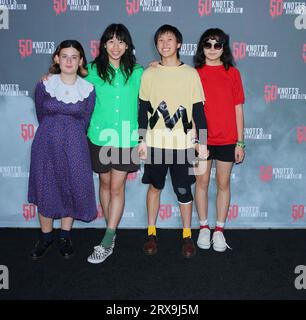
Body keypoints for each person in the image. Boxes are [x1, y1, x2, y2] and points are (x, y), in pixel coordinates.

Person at [138, 24, 208, 258]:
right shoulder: (149, 73)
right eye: (160, 40)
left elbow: (199, 111)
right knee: (155, 187)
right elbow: (143, 110)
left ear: (179, 44)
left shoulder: (190, 74)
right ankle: (151, 232)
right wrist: (141, 140)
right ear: (156, 44)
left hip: (183, 145)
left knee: (183, 190)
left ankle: (187, 235)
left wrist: (203, 142)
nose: (165, 44)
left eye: (170, 39)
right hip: (156, 144)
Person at [28, 40, 97, 260]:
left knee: (71, 186)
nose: (69, 61)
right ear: (57, 59)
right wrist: (54, 131)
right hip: (46, 143)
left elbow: (86, 120)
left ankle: (65, 236)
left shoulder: (88, 90)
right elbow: (40, 113)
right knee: (46, 186)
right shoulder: (45, 84)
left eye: (74, 56)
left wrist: (70, 134)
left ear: (81, 61)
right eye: (64, 56)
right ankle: (46, 236)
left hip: (76, 145)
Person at [86, 24, 143, 264]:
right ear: (104, 44)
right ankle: (112, 229)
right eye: (111, 41)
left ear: (128, 45)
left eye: (121, 41)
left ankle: (108, 239)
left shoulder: (139, 72)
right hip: (99, 136)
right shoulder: (90, 70)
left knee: (117, 187)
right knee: (105, 182)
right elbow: (67, 81)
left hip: (126, 138)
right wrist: (49, 75)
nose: (116, 46)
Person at [194, 28, 245, 252]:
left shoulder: (232, 73)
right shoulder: (193, 73)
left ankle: (219, 231)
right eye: (208, 44)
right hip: (203, 138)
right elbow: (191, 110)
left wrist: (240, 142)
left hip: (227, 139)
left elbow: (238, 109)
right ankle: (204, 227)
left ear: (224, 48)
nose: (213, 49)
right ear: (202, 47)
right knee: (202, 183)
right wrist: (196, 140)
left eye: (218, 45)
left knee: (223, 183)